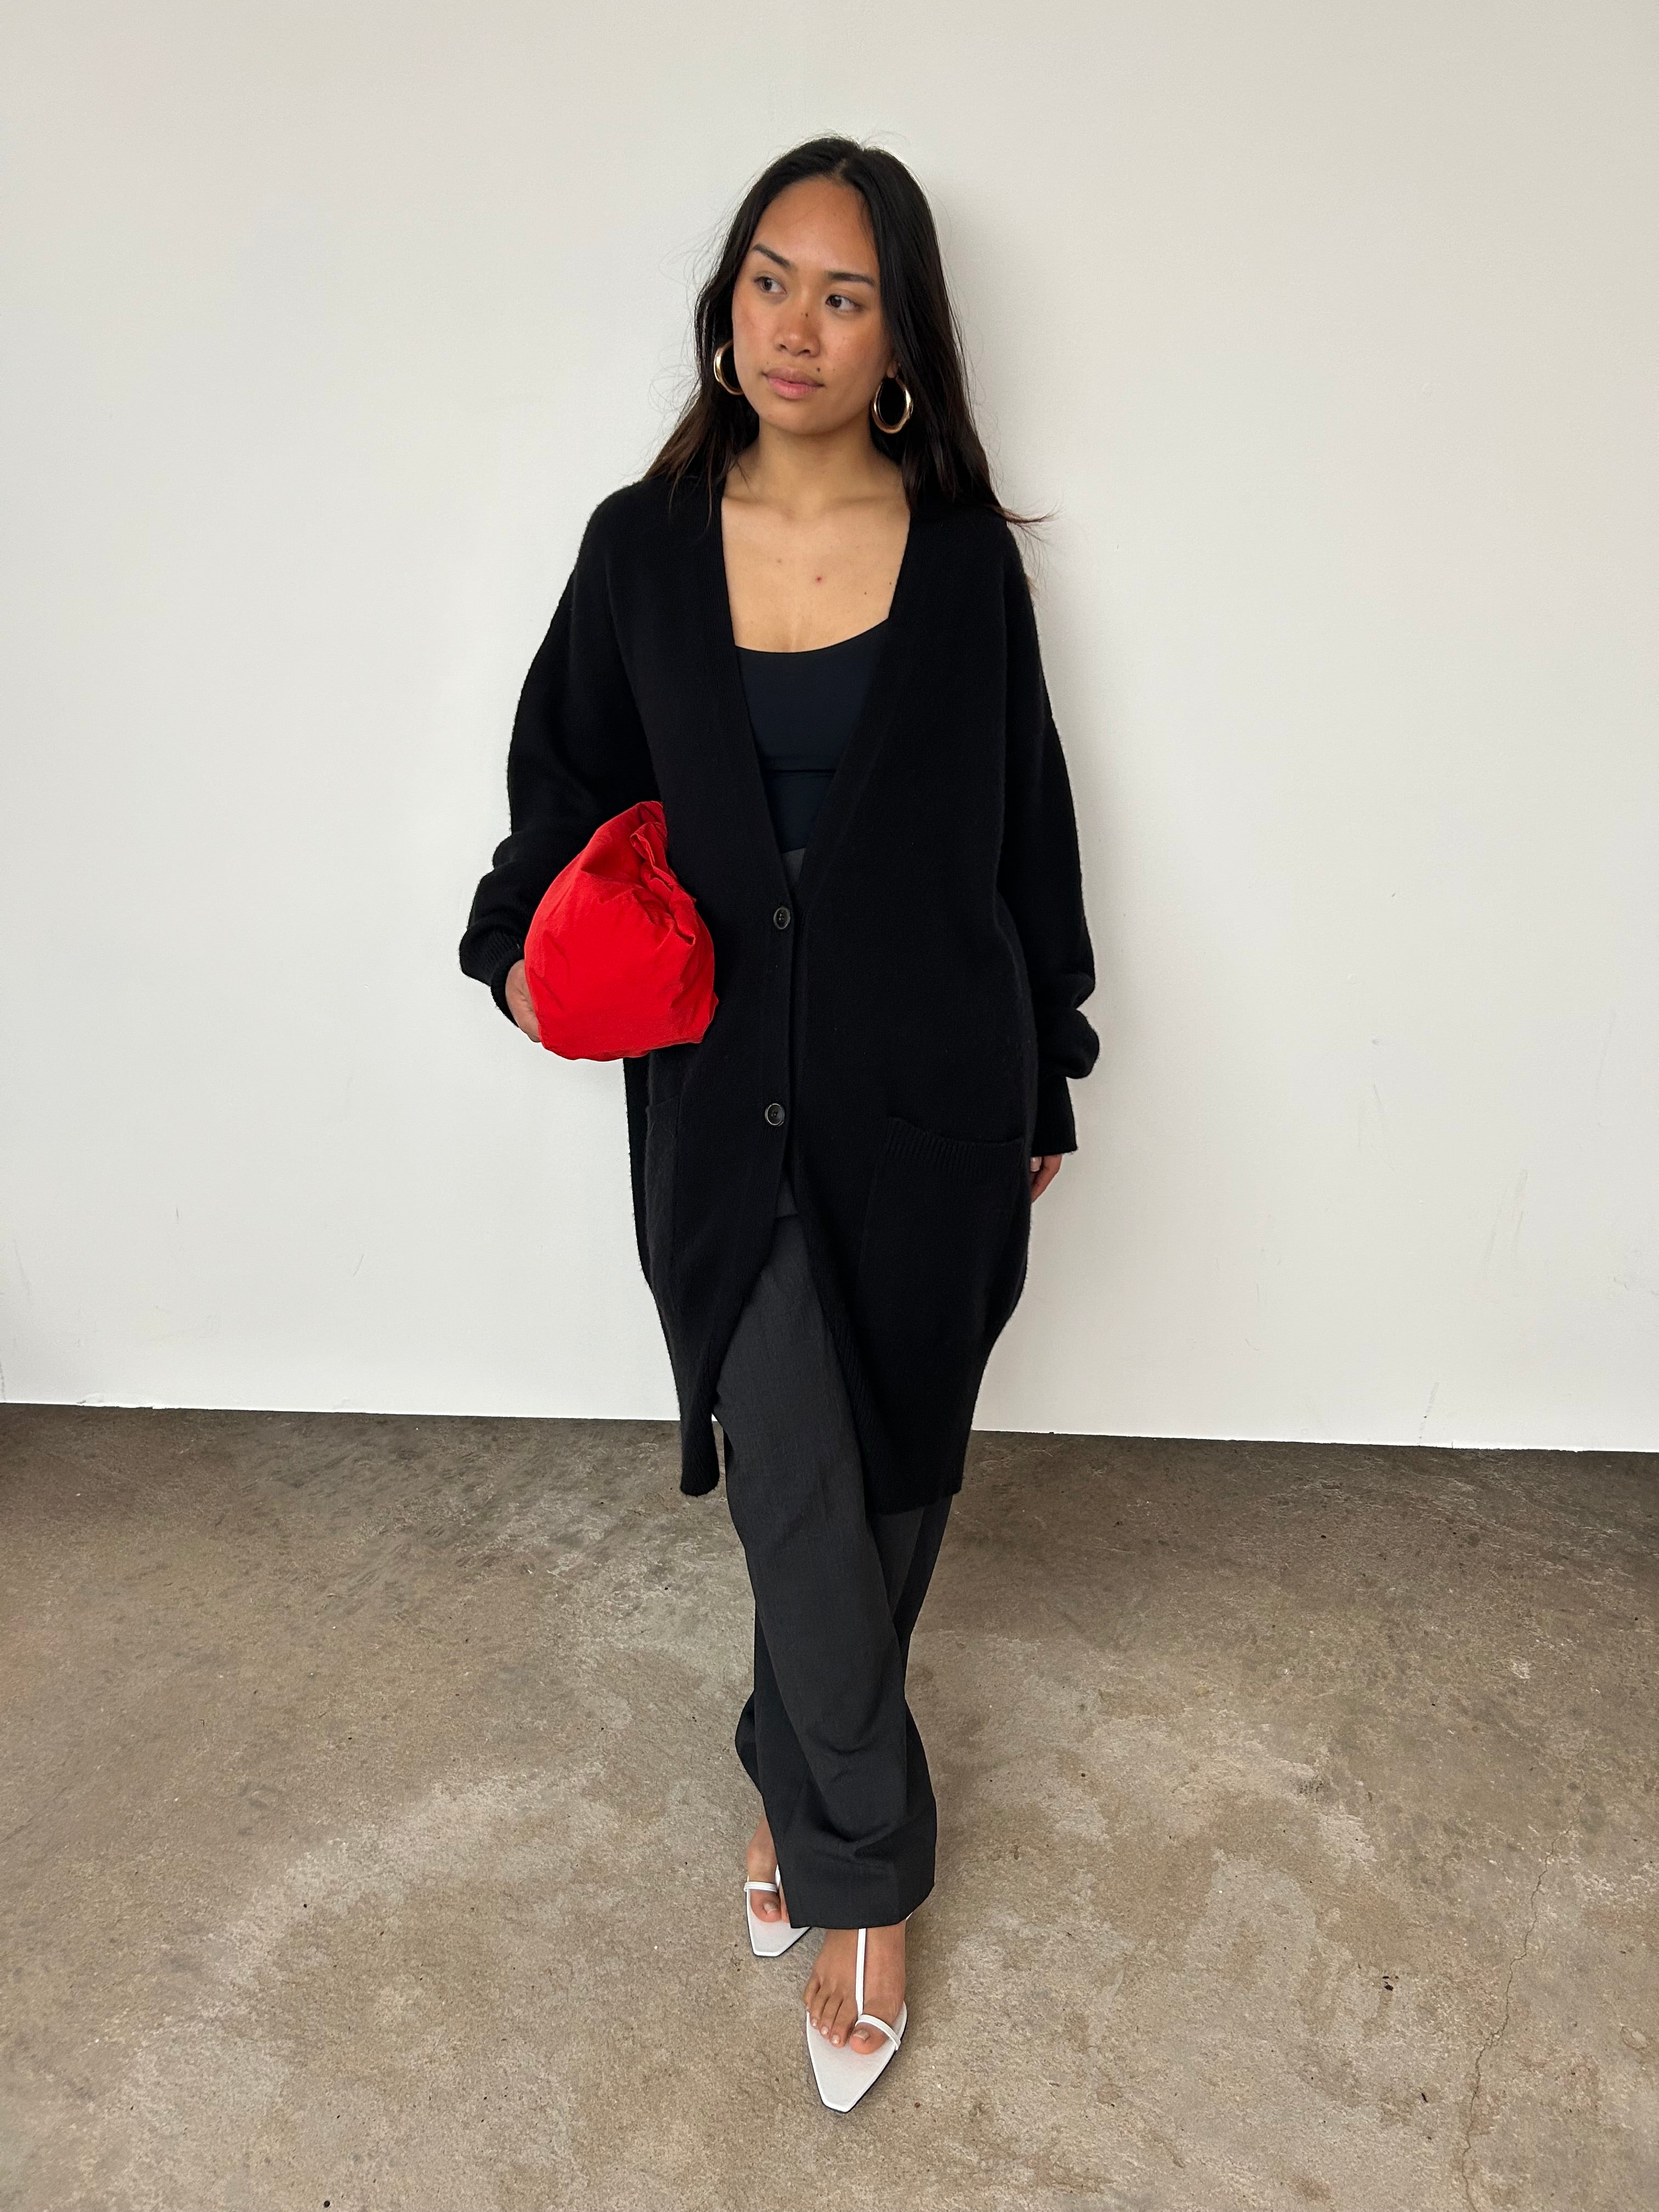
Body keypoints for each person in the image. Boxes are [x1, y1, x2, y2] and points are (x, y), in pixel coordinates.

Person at [459, 135, 1099, 2110]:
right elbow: (561, 787)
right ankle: (868, 1874)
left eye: (843, 293)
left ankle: (784, 1764)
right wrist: (514, 956)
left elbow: (1026, 830)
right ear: (724, 307)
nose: (796, 325)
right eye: (767, 279)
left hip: (934, 1091)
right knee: (798, 1479)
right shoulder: (640, 549)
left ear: (902, 340)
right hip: (721, 1099)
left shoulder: (963, 562)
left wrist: (1051, 1062)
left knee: (889, 1478)